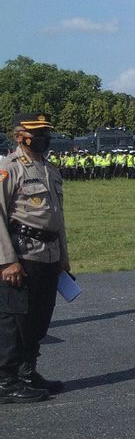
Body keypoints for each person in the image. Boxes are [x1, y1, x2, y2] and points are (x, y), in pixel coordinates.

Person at [0, 113, 69, 403]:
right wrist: (6, 260)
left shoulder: (49, 169)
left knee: (39, 318)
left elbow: (57, 217)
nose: (44, 138)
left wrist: (64, 257)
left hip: (48, 254)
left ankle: (28, 373)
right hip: (22, 255)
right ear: (19, 137)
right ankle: (6, 381)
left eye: (46, 133)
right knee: (15, 321)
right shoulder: (9, 168)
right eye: (37, 133)